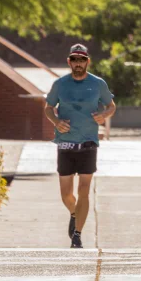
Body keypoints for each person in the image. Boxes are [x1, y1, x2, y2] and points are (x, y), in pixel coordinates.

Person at [44, 44, 116, 249]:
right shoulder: (60, 84)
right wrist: (56, 122)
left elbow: (111, 105)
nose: (78, 63)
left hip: (88, 142)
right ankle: (74, 213)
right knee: (66, 194)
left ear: (87, 61)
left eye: (81, 59)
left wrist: (104, 115)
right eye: (74, 59)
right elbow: (48, 108)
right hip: (65, 143)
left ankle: (77, 234)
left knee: (84, 190)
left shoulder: (98, 84)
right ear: (69, 62)